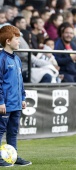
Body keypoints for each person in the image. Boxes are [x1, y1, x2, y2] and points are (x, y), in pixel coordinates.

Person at [0, 25, 32, 167]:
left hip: (16, 103)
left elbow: (20, 82)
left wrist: (23, 97)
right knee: (0, 130)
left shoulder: (17, 59)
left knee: (12, 132)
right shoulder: (1, 59)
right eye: (17, 39)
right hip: (5, 105)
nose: (19, 42)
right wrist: (1, 101)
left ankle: (13, 156)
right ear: (8, 41)